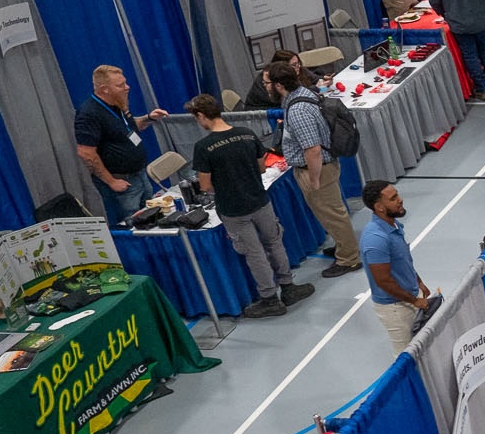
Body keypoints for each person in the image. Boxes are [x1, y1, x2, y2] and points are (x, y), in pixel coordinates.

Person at [185, 94, 307, 320]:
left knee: (254, 253)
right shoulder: (247, 134)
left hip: (233, 209)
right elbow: (261, 167)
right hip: (260, 200)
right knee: (274, 242)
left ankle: (269, 299)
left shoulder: (204, 147)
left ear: (201, 116)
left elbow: (205, 185)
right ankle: (288, 286)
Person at [268, 63, 365, 280]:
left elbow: (313, 150)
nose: (265, 87)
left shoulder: (298, 110)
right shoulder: (302, 94)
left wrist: (314, 179)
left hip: (317, 170)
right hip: (322, 167)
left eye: (268, 83)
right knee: (330, 213)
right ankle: (344, 247)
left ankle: (349, 259)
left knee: (333, 214)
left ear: (279, 85)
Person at [74, 65, 167, 226]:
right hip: (122, 184)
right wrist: (111, 181)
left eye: (125, 82)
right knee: (132, 226)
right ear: (104, 89)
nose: (127, 87)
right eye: (120, 85)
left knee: (153, 220)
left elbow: (128, 128)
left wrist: (149, 118)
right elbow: (85, 152)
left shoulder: (117, 104)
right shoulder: (89, 114)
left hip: (140, 175)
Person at [359, 181, 433, 350]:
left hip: (411, 296)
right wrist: (414, 300)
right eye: (393, 198)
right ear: (379, 207)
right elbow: (383, 280)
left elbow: (403, 260)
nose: (400, 200)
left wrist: (418, 282)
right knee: (406, 356)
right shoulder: (375, 238)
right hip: (395, 308)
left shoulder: (394, 225)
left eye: (397, 195)